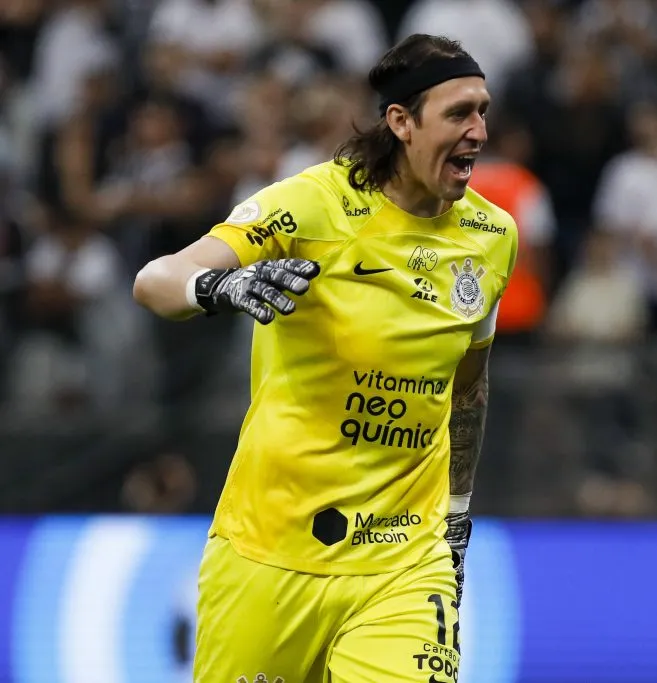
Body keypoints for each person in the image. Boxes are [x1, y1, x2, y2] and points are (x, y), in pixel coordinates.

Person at [132, 33, 517, 683]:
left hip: (403, 560)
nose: (478, 131)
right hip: (269, 550)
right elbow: (156, 279)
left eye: (482, 110)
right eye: (458, 113)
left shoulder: (491, 237)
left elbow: (468, 390)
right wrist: (220, 285)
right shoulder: (312, 204)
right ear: (401, 121)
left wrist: (455, 516)